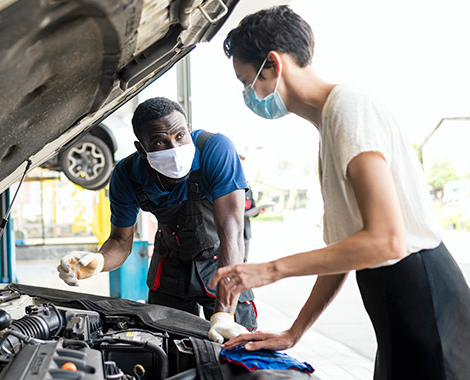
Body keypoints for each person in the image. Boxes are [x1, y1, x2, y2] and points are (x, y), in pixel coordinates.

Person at [208, 5, 470, 380]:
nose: (247, 93)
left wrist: (270, 270)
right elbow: (345, 251)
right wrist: (292, 333)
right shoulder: (329, 127)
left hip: (425, 300)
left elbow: (388, 241)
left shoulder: (350, 107)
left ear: (273, 65)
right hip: (395, 305)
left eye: (245, 80)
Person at [57, 97, 257, 343]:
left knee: (241, 351)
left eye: (181, 135)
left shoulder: (214, 149)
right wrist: (98, 262)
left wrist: (225, 313)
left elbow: (232, 230)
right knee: (168, 350)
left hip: (222, 263)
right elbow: (120, 242)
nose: (174, 148)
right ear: (142, 149)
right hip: (169, 266)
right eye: (160, 141)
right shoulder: (127, 176)